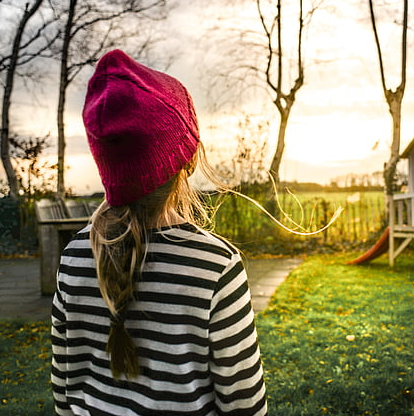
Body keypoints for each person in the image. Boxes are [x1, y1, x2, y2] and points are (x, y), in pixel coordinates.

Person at [51, 49, 267, 416]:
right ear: (189, 156)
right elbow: (245, 404)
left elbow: (65, 388)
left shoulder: (74, 256)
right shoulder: (215, 266)